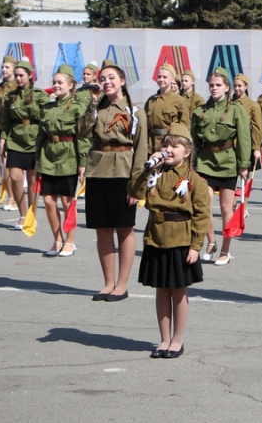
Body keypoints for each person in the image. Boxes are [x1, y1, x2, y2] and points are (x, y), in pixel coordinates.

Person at [129, 123, 210, 359]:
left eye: (174, 145)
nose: (168, 149)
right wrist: (146, 169)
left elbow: (202, 215)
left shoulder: (195, 180)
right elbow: (134, 192)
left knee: (178, 290)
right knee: (161, 290)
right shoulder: (154, 174)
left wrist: (196, 246)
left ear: (187, 152)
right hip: (156, 238)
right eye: (165, 144)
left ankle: (177, 339)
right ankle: (164, 339)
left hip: (181, 240)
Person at [77, 62, 148, 301]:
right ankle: (108, 283)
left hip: (123, 173)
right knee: (103, 229)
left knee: (124, 229)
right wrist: (93, 102)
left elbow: (141, 150)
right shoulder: (96, 107)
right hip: (98, 171)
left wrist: (137, 185)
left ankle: (122, 284)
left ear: (122, 81)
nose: (107, 82)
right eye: (103, 78)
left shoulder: (135, 112)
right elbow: (82, 131)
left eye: (111, 78)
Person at [190, 68, 250, 265]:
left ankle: (225, 249)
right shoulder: (200, 111)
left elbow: (243, 138)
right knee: (202, 205)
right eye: (211, 85)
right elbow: (194, 141)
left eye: (218, 85)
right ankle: (211, 242)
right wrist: (191, 164)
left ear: (227, 88)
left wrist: (243, 165)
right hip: (205, 162)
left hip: (227, 163)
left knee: (226, 209)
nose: (214, 88)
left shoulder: (236, 110)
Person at [35, 65, 90, 257]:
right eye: (54, 82)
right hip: (48, 156)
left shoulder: (77, 107)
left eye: (60, 82)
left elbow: (83, 137)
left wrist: (83, 163)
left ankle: (70, 241)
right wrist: (37, 160)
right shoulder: (47, 107)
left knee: (68, 202)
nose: (56, 86)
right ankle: (57, 239)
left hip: (69, 156)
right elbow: (41, 135)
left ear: (71, 85)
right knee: (49, 201)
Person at [0, 59, 50, 230]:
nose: (18, 79)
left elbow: (47, 118)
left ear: (30, 75)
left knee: (32, 180)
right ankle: (22, 214)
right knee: (14, 177)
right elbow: (6, 121)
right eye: (16, 76)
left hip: (34, 141)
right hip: (15, 140)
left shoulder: (40, 95)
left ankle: (31, 215)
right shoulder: (10, 96)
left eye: (21, 75)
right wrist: (2, 139)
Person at [0, 55, 18, 211]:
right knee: (3, 165)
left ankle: (16, 198)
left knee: (11, 165)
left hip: (15, 130)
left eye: (7, 67)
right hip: (3, 129)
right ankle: (10, 196)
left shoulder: (18, 87)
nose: (4, 69)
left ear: (14, 68)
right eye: (3, 67)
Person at [144, 64, 189, 154]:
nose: (161, 79)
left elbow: (185, 126)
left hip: (169, 145)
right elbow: (144, 125)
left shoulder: (179, 101)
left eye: (165, 77)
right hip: (150, 145)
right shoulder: (151, 100)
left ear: (172, 79)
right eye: (159, 77)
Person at [232, 73, 262, 173]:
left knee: (244, 173)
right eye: (235, 86)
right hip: (230, 145)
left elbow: (257, 128)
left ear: (246, 86)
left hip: (244, 144)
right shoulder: (228, 103)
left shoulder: (253, 105)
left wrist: (256, 148)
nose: (237, 88)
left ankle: (243, 189)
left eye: (239, 86)